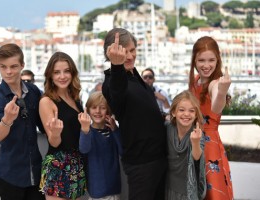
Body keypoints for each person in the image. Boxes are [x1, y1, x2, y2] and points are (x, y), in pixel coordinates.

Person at [102, 28, 167, 200]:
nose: (129, 56)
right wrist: (116, 65)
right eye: (123, 52)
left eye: (132, 50)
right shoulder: (111, 81)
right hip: (141, 163)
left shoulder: (135, 76)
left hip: (158, 159)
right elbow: (117, 95)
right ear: (111, 54)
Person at [0, 43, 44, 200]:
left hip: (37, 171)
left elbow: (44, 123)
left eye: (13, 66)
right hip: (10, 175)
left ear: (22, 65)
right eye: (3, 67)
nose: (8, 72)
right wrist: (7, 120)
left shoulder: (33, 92)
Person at [188, 36, 233, 199]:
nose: (206, 65)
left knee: (213, 193)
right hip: (192, 142)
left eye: (211, 60)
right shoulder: (195, 81)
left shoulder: (216, 84)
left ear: (217, 60)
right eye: (201, 60)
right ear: (194, 60)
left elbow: (216, 107)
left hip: (209, 146)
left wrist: (222, 91)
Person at [39, 51, 86, 200]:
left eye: (66, 71)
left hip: (77, 164)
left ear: (72, 73)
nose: (62, 76)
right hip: (57, 165)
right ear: (50, 76)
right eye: (56, 72)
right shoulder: (46, 102)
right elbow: (54, 143)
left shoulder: (75, 98)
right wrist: (55, 132)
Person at [79, 91, 123, 200]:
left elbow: (123, 152)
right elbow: (84, 149)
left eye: (102, 107)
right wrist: (85, 130)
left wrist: (115, 130)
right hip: (96, 190)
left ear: (108, 110)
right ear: (88, 110)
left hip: (114, 188)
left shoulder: (113, 131)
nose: (98, 111)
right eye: (94, 107)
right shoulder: (87, 131)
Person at [165, 90, 206, 200]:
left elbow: (197, 158)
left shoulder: (197, 134)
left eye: (191, 111)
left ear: (196, 114)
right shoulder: (168, 128)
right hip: (167, 188)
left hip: (187, 193)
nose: (186, 114)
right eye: (181, 110)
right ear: (174, 112)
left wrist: (195, 142)